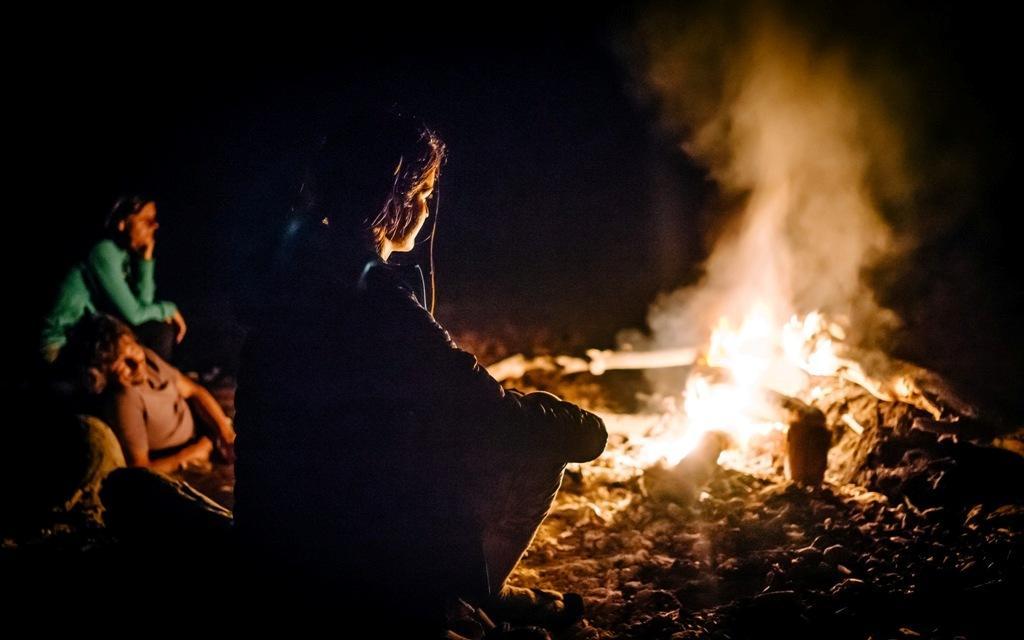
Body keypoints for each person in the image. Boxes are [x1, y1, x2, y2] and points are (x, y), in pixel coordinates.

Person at [233, 112, 608, 629]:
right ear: (396, 196)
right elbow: (488, 411)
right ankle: (464, 601)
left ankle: (456, 595)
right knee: (542, 443)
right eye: (426, 192)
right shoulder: (377, 302)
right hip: (340, 567)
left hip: (273, 540)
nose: (429, 207)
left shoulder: (295, 277)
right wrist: (583, 429)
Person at [57, 313, 234, 475]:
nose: (136, 364)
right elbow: (139, 469)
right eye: (123, 364)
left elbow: (194, 390)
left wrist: (225, 433)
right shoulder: (124, 400)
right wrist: (192, 454)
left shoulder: (145, 357)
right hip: (187, 457)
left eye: (133, 349)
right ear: (102, 374)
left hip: (204, 432)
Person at [40, 196, 187, 363]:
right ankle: (153, 384)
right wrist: (169, 309)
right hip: (59, 346)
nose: (155, 225)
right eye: (147, 220)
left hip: (83, 339)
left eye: (154, 220)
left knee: (156, 327)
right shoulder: (103, 252)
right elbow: (134, 315)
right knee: (158, 331)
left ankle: (151, 383)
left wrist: (145, 259)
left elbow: (143, 305)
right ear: (122, 223)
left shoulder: (123, 255)